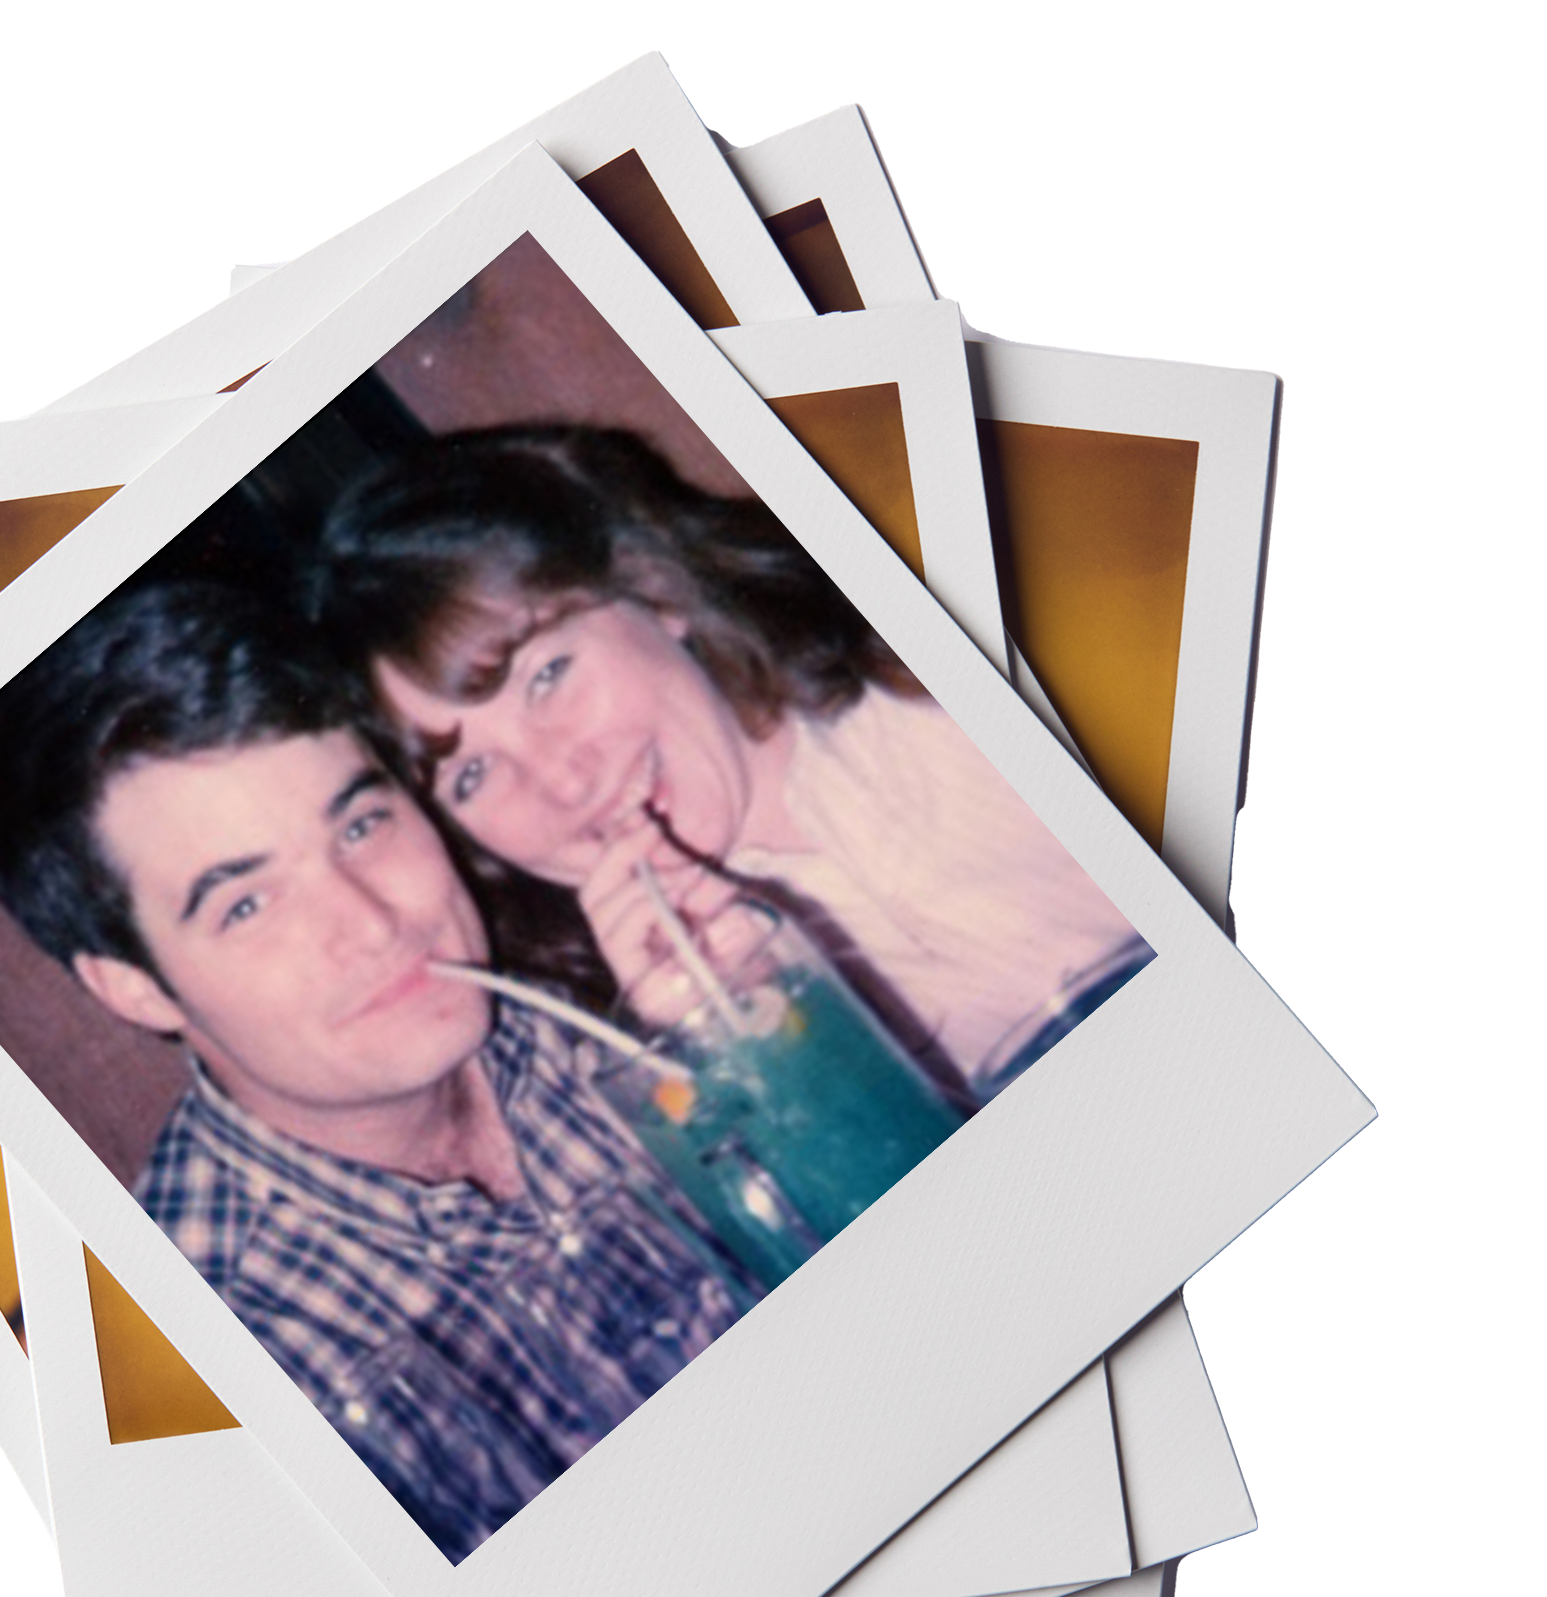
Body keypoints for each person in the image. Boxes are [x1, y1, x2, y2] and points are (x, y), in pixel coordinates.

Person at [0, 579, 753, 1563]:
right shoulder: (202, 1372)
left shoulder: (591, 982)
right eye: (246, 905)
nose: (375, 923)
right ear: (135, 987)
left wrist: (759, 1046)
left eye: (361, 826)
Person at [312, 425, 1147, 1097]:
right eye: (471, 775)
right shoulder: (641, 1063)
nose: (563, 783)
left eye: (548, 676)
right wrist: (756, 1051)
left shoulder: (960, 652)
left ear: (653, 591)